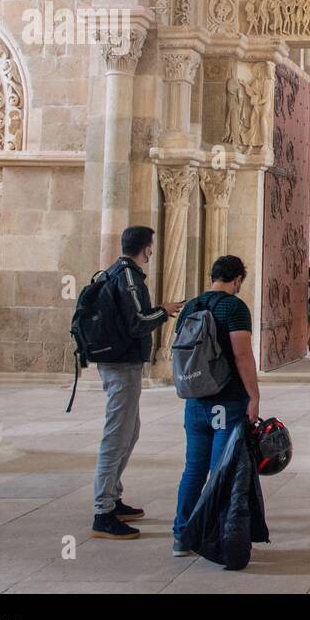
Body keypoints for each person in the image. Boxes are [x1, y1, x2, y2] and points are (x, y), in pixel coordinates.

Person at [92, 226, 185, 540]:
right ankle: (103, 512)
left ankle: (113, 497)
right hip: (121, 364)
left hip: (120, 363)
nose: (151, 251)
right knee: (117, 435)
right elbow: (137, 322)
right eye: (151, 246)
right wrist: (164, 310)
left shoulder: (117, 272)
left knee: (130, 431)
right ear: (147, 248)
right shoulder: (129, 276)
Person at [172, 255, 261, 557]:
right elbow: (242, 355)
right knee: (220, 470)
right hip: (227, 401)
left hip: (196, 400)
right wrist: (254, 396)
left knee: (193, 469)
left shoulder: (191, 307)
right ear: (237, 280)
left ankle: (182, 535)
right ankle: (216, 536)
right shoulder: (234, 307)